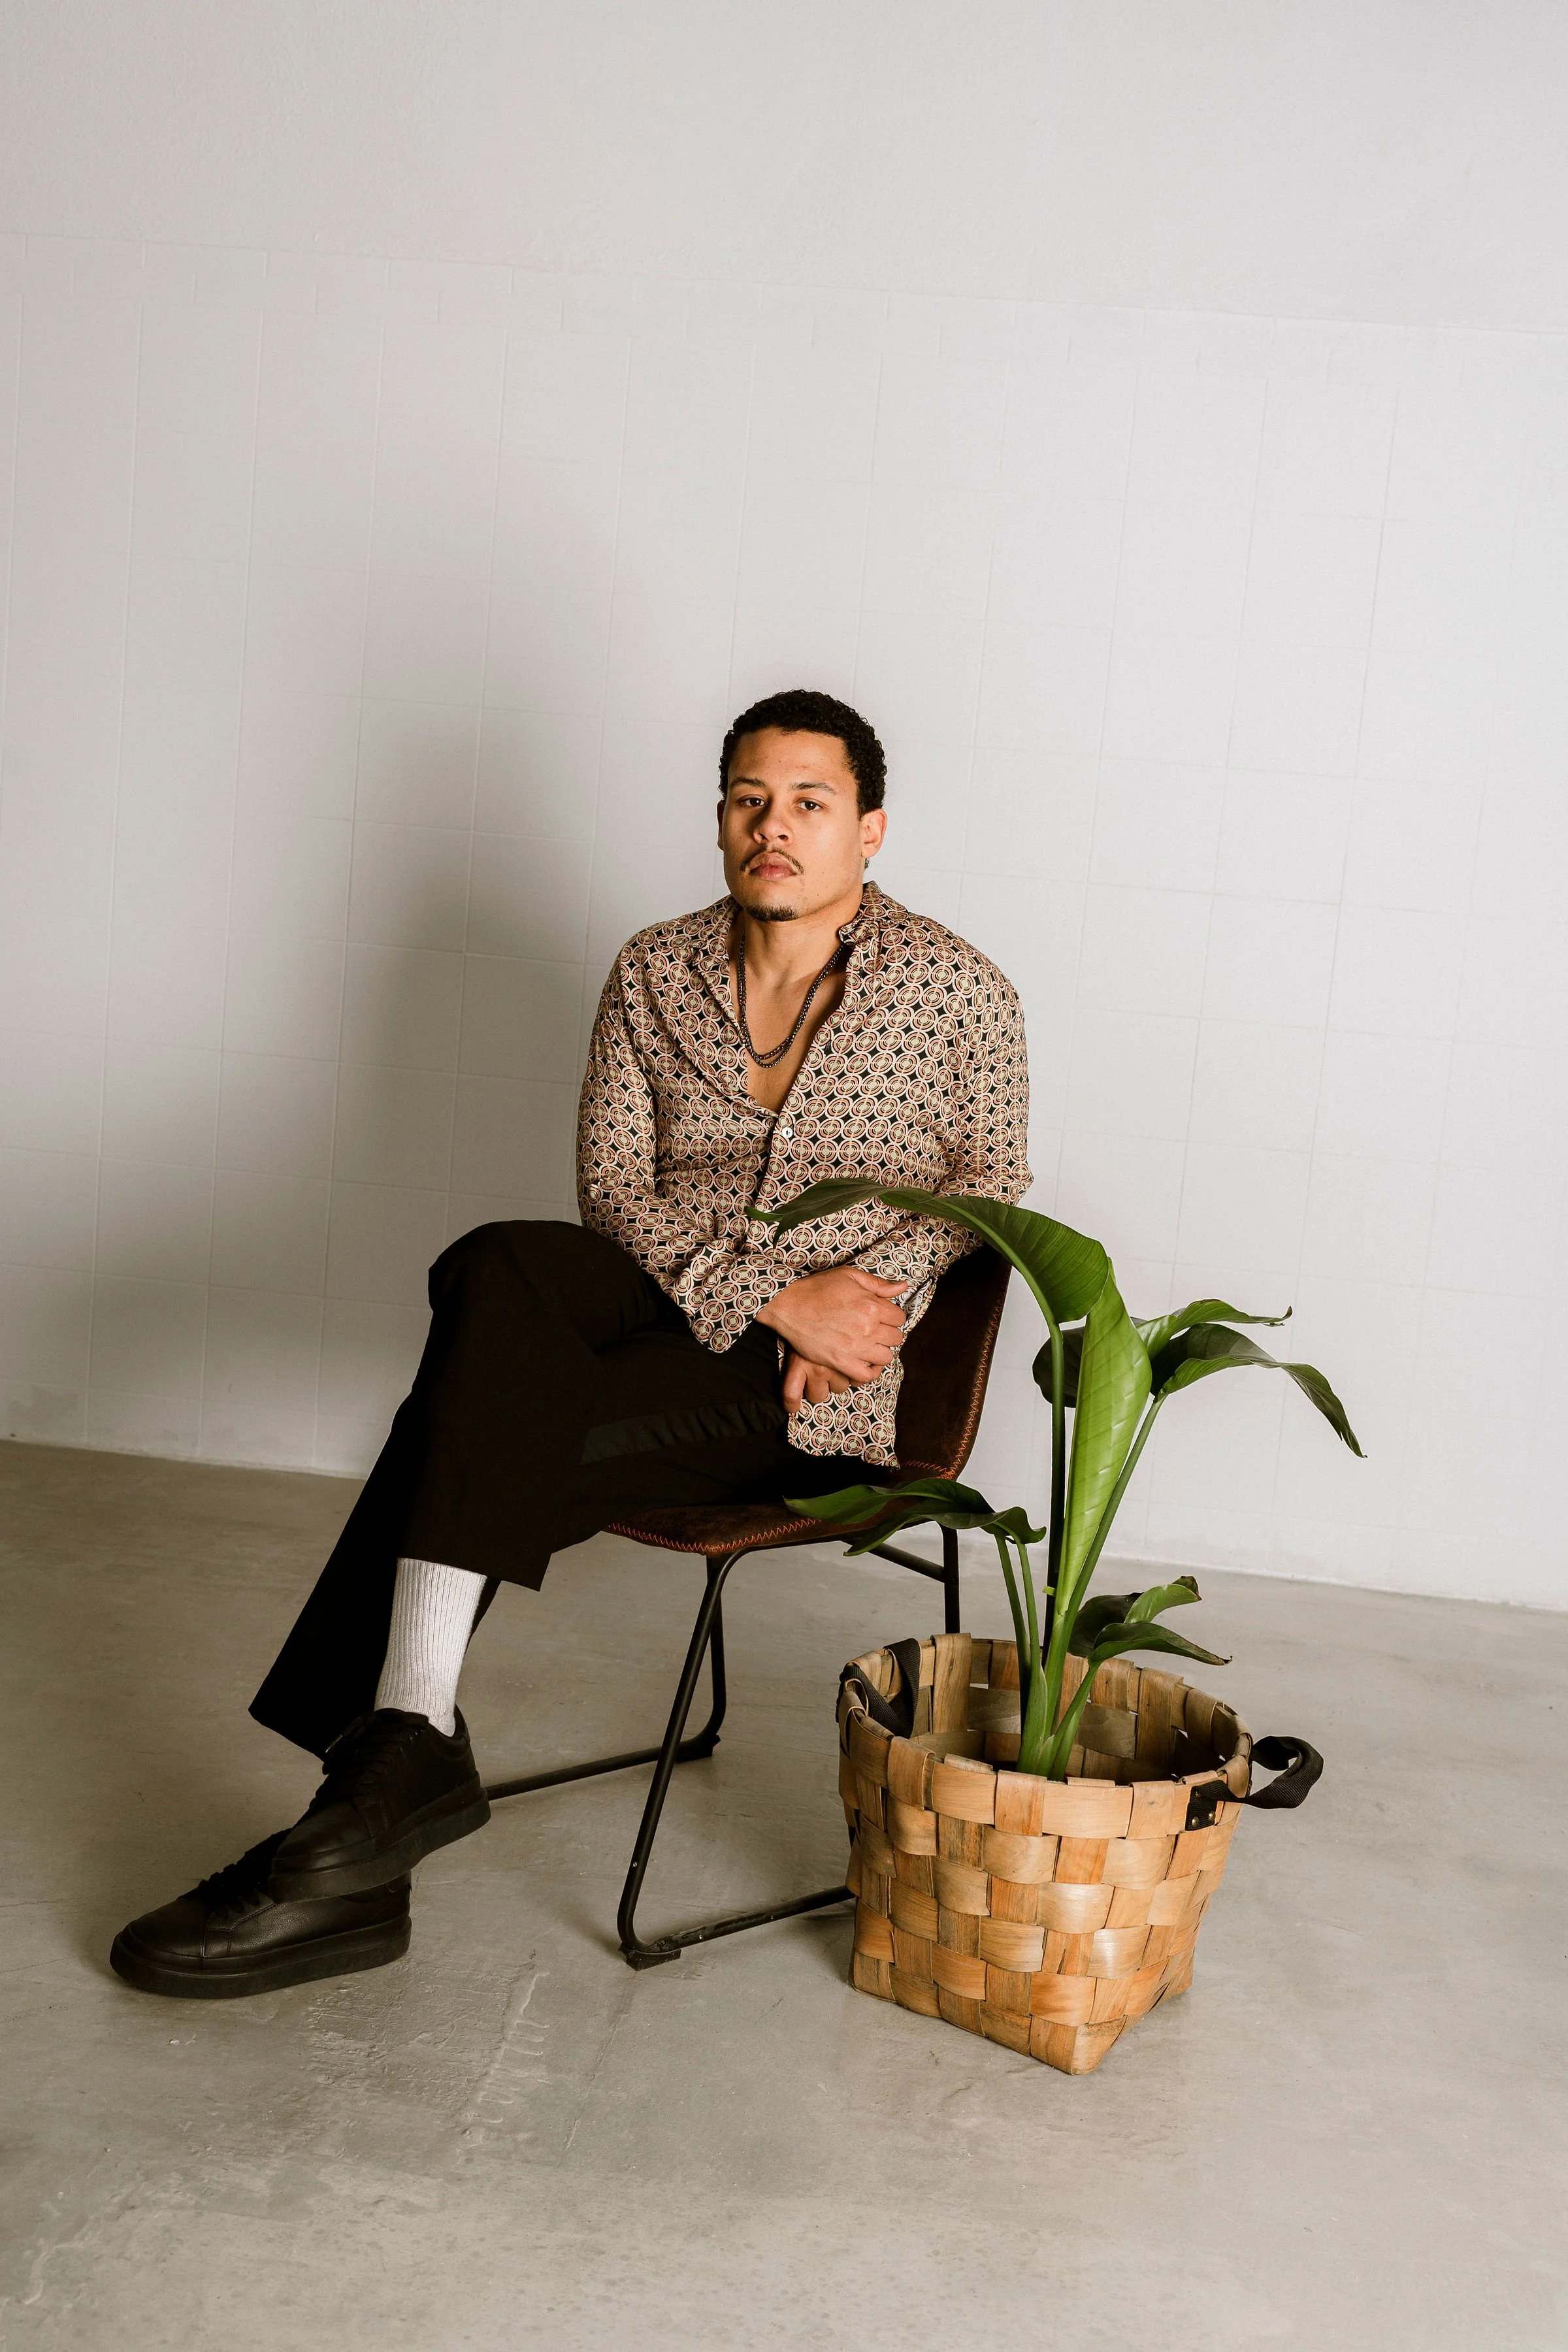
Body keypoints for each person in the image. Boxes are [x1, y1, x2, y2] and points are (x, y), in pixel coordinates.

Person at [110, 687, 1032, 1998]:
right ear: (721, 820)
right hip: (680, 1306)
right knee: (498, 1266)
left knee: (472, 1416)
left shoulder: (958, 990)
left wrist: (855, 1305)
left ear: (870, 829)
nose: (774, 826)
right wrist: (768, 1292)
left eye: (809, 803)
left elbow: (990, 1188)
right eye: (748, 800)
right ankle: (403, 1753)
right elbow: (613, 1192)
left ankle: (379, 1785)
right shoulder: (653, 969)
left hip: (816, 1390)